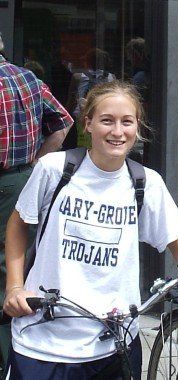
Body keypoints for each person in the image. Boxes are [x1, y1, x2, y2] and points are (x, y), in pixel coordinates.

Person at [2, 81, 178, 379]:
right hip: (42, 340)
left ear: (137, 126)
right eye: (107, 120)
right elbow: (18, 224)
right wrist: (14, 286)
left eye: (126, 122)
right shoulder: (54, 169)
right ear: (88, 123)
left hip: (112, 345)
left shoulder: (146, 183)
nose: (117, 131)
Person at [1, 33, 74, 366]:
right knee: (10, 264)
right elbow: (64, 122)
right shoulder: (27, 77)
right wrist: (36, 163)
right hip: (21, 179)